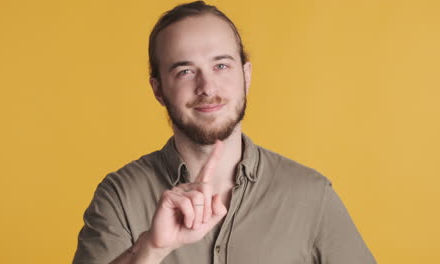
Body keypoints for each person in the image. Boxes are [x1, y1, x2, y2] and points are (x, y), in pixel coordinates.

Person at [73, 1, 376, 263]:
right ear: (159, 90)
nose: (207, 88)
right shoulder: (120, 197)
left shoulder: (311, 195)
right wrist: (150, 249)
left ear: (246, 75)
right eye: (185, 71)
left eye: (221, 66)